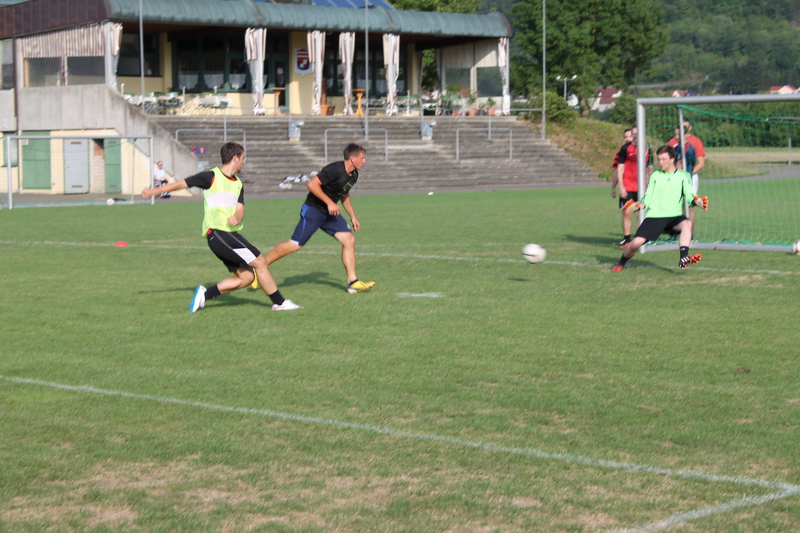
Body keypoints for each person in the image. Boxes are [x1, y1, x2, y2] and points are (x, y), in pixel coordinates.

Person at [141, 142, 302, 312]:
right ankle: (280, 302)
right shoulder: (211, 176)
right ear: (235, 158)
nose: (244, 162)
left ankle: (205, 295)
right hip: (218, 233)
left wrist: (238, 217)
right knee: (261, 262)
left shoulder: (238, 184)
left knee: (247, 277)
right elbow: (181, 184)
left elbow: (240, 207)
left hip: (229, 235)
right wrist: (153, 192)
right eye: (243, 158)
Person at [266, 143, 375, 294]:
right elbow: (312, 184)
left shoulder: (354, 175)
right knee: (295, 245)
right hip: (313, 210)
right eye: (362, 158)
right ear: (352, 158)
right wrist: (329, 203)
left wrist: (353, 216)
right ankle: (260, 266)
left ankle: (353, 282)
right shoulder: (334, 169)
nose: (364, 161)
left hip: (330, 213)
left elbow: (344, 194)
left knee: (349, 239)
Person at [611, 145, 708, 272]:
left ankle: (683, 257)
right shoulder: (656, 175)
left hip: (674, 217)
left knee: (687, 223)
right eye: (659, 159)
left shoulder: (683, 175)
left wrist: (697, 202)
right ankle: (621, 262)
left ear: (672, 159)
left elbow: (690, 197)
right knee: (635, 244)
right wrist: (639, 205)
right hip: (655, 217)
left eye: (664, 159)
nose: (660, 162)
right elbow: (648, 198)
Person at [614, 126, 653, 248]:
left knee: (640, 214)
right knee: (627, 213)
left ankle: (640, 239)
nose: (635, 135)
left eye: (637, 133)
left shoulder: (647, 149)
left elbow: (650, 168)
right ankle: (626, 239)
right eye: (633, 133)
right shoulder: (625, 148)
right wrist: (621, 187)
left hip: (642, 187)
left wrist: (651, 186)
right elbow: (619, 168)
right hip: (628, 186)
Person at [669, 120, 706, 228]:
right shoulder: (674, 144)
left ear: (687, 130)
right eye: (676, 134)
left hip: (689, 177)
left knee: (688, 206)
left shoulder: (693, 145)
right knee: (676, 205)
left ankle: (689, 232)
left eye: (679, 134)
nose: (676, 137)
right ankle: (677, 232)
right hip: (676, 178)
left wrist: (686, 174)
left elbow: (700, 163)